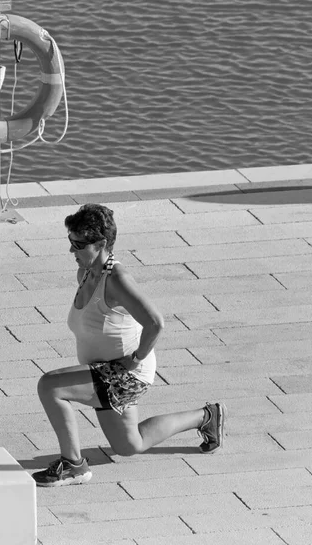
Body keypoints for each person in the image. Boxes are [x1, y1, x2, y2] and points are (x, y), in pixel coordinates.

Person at [32, 203, 227, 487]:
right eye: (70, 242)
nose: (72, 250)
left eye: (78, 244)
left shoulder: (117, 280)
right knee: (129, 445)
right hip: (105, 370)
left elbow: (155, 323)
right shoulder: (85, 273)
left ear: (100, 243)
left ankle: (73, 465)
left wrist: (135, 359)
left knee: (50, 386)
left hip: (125, 373)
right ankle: (206, 416)